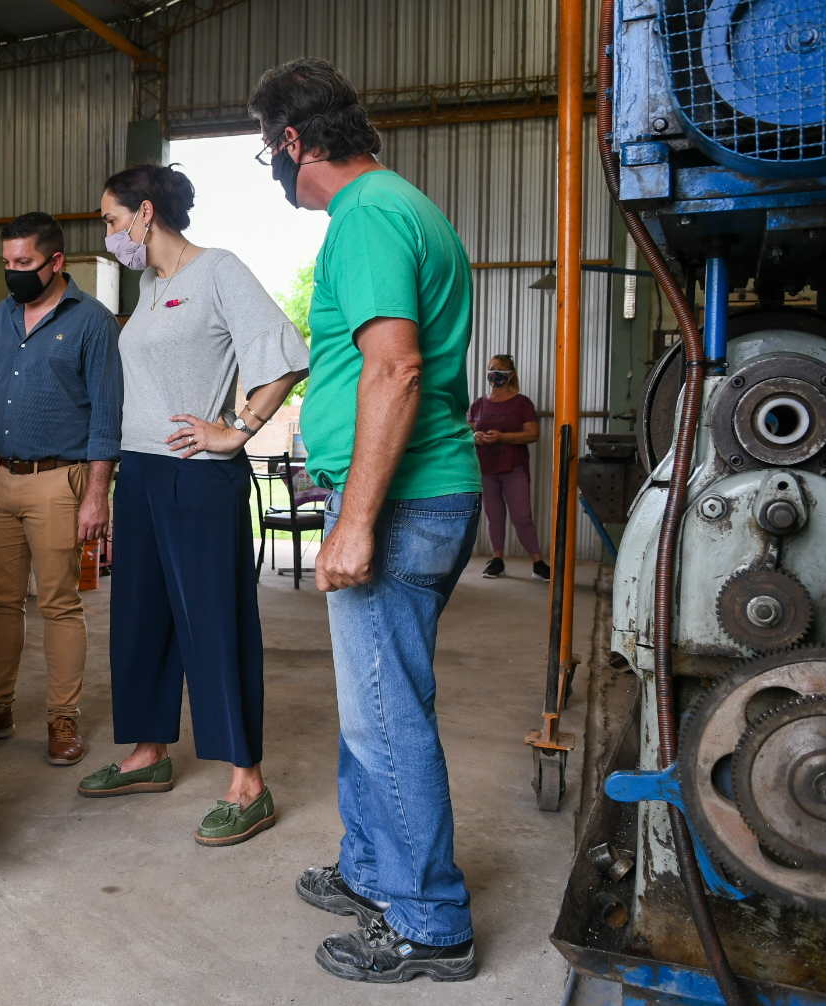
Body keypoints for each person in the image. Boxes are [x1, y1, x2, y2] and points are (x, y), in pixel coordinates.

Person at [249, 57, 482, 983]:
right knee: (369, 710)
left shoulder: (369, 216)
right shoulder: (394, 208)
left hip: (403, 502)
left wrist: (354, 523)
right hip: (410, 495)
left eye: (268, 150)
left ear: (293, 142)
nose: (273, 167)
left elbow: (394, 369)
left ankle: (431, 923)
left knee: (387, 719)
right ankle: (373, 871)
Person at [76, 164, 308, 847]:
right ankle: (148, 752)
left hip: (198, 476)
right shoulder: (150, 287)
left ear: (145, 213)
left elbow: (287, 354)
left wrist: (237, 428)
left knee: (214, 623)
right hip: (143, 473)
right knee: (141, 618)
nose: (109, 233)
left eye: (112, 220)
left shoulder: (218, 271)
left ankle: (247, 782)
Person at [0, 212, 122, 767]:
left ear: (55, 261)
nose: (13, 272)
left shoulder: (92, 322)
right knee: (0, 602)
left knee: (59, 604)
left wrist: (97, 495)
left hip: (57, 482)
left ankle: (63, 718)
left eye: (24, 262)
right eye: (7, 262)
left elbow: (107, 415)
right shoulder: (2, 315)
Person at [469, 354, 546, 580]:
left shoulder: (522, 403)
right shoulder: (479, 404)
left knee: (522, 517)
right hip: (486, 468)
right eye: (492, 369)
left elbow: (532, 434)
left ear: (510, 375)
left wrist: (502, 437)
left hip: (514, 468)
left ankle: (538, 563)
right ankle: (497, 560)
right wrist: (475, 436)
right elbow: (467, 430)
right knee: (494, 516)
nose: (495, 374)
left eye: (501, 370)